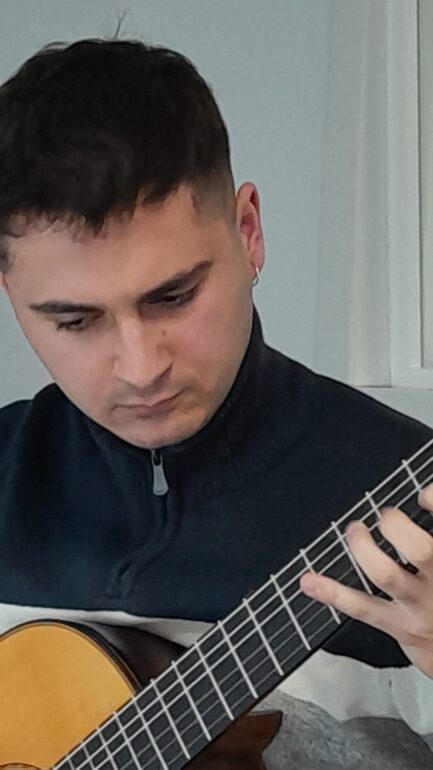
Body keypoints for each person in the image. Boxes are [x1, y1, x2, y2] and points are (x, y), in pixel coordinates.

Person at [0, 38, 433, 769]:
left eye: (173, 297)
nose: (141, 369)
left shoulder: (407, 495)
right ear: (10, 292)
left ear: (248, 233)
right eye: (74, 321)